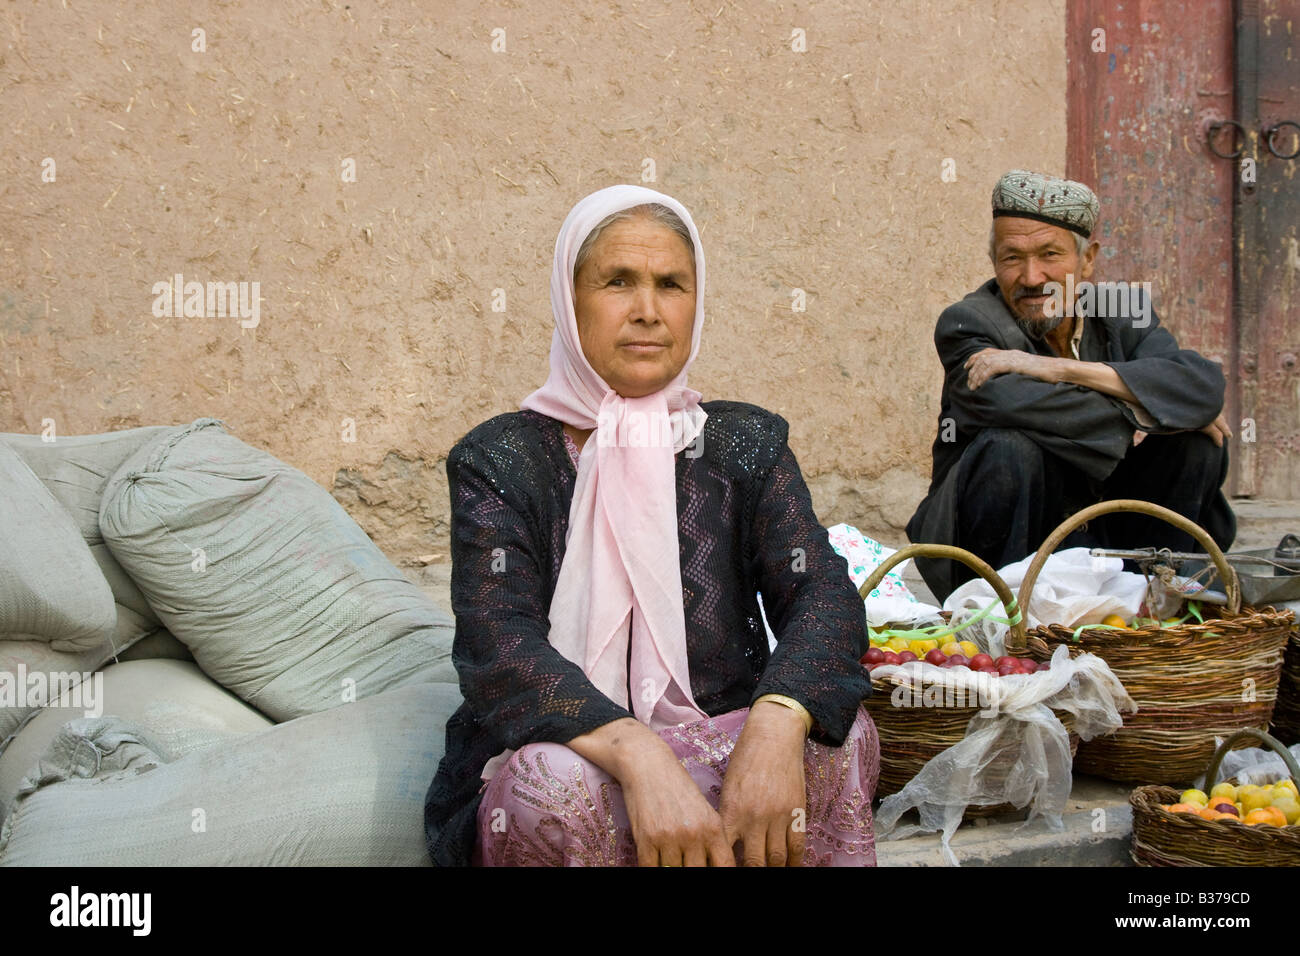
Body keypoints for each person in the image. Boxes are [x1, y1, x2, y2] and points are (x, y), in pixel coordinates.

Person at [423, 185, 879, 867]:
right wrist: (636, 752)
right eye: (617, 282)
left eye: (671, 284)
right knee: (551, 787)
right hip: (575, 756)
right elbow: (499, 647)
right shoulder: (501, 460)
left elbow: (823, 597)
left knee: (840, 735)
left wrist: (779, 719)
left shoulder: (740, 445)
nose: (647, 311)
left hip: (723, 749)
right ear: (569, 300)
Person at [907, 169, 1236, 602]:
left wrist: (1062, 370)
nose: (1031, 277)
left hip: (1103, 529)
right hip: (1010, 534)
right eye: (1012, 258)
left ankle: (1150, 598)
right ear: (994, 263)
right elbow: (1004, 402)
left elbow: (1201, 386)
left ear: (1087, 260)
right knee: (1011, 446)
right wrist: (1154, 405)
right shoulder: (968, 322)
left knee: (1194, 442)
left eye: (1050, 255)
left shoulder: (1123, 309)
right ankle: (1005, 612)